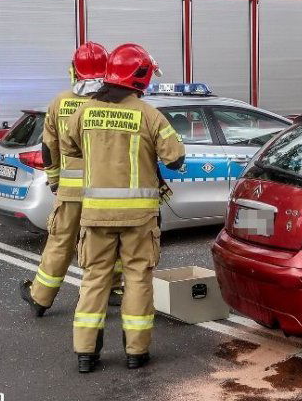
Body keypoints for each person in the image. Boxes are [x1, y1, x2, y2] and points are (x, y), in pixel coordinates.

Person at [62, 43, 185, 373]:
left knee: (94, 279)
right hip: (139, 219)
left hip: (95, 215)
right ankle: (136, 352)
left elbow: (68, 144)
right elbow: (176, 156)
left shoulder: (84, 111)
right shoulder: (149, 115)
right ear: (140, 77)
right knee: (137, 279)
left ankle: (86, 354)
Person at [20, 42, 123, 316]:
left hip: (70, 192)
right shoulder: (116, 102)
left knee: (60, 243)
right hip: (107, 190)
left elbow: (48, 148)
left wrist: (55, 182)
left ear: (74, 71)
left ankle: (40, 298)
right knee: (109, 241)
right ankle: (112, 289)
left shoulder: (60, 102)